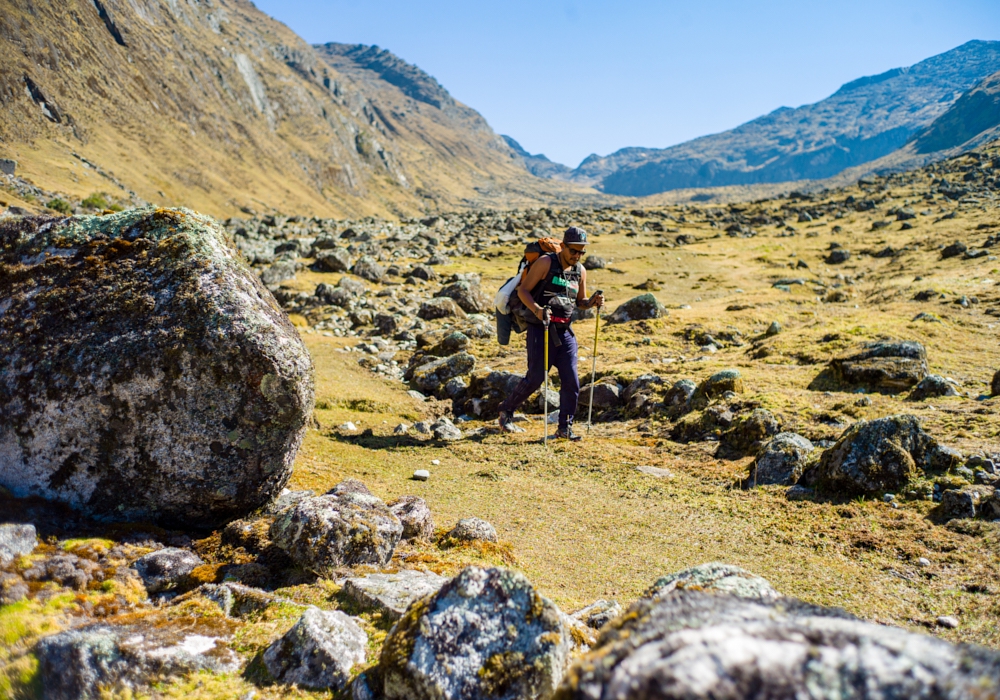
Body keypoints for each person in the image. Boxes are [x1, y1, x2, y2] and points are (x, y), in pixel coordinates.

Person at [498, 226, 604, 440]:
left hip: (565, 332)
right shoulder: (546, 263)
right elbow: (523, 290)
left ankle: (565, 428)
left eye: (581, 252)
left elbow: (579, 302)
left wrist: (592, 302)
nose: (577, 256)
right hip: (541, 329)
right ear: (563, 246)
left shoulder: (580, 270)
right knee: (535, 378)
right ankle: (506, 410)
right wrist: (537, 310)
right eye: (573, 251)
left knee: (572, 382)